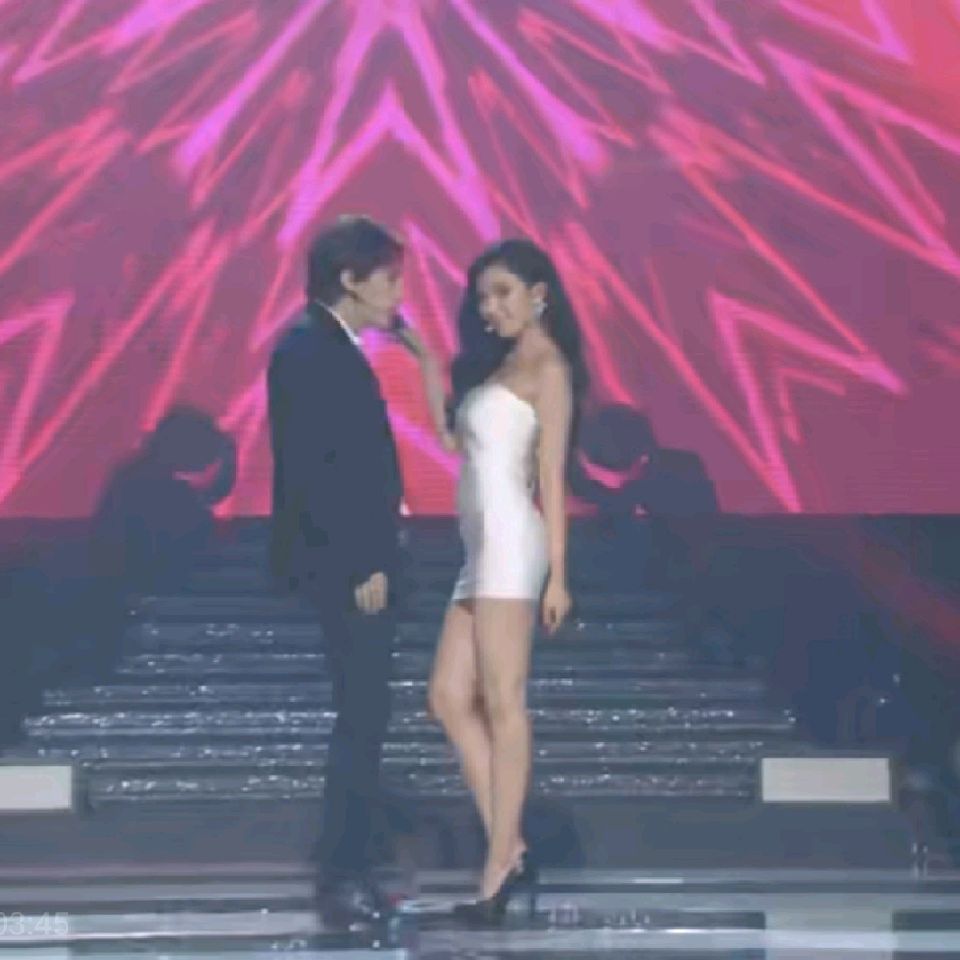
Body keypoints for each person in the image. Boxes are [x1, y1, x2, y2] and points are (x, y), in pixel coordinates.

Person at [423, 239, 587, 926]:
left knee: (502, 701)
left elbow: (551, 477)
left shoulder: (549, 369)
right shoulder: (500, 367)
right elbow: (454, 445)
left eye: (502, 294)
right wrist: (426, 364)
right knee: (444, 697)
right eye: (483, 298)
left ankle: (497, 867)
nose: (489, 308)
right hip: (478, 551)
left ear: (538, 294)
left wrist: (559, 577)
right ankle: (509, 843)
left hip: (512, 547)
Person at [267, 215, 405, 929]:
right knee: (361, 714)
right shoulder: (310, 348)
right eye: (390, 279)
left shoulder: (324, 345)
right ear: (350, 279)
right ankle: (343, 873)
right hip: (347, 563)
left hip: (351, 557)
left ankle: (353, 867)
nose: (399, 294)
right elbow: (319, 470)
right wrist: (364, 560)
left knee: (367, 713)